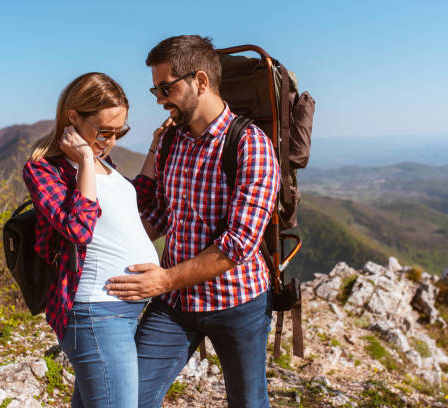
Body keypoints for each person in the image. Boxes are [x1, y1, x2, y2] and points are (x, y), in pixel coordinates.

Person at [106, 35, 280, 408]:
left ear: (200, 81)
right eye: (154, 89)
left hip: (238, 301)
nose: (159, 99)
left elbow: (238, 244)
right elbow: (155, 214)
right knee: (127, 398)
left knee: (249, 402)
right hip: (176, 303)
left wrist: (164, 278)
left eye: (166, 87)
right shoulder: (172, 142)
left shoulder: (251, 145)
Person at [22, 72, 160, 408]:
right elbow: (79, 229)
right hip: (96, 311)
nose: (111, 140)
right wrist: (84, 159)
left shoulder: (103, 161)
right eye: (104, 131)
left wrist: (156, 145)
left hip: (122, 311)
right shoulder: (44, 170)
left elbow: (135, 200)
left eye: (119, 132)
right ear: (73, 117)